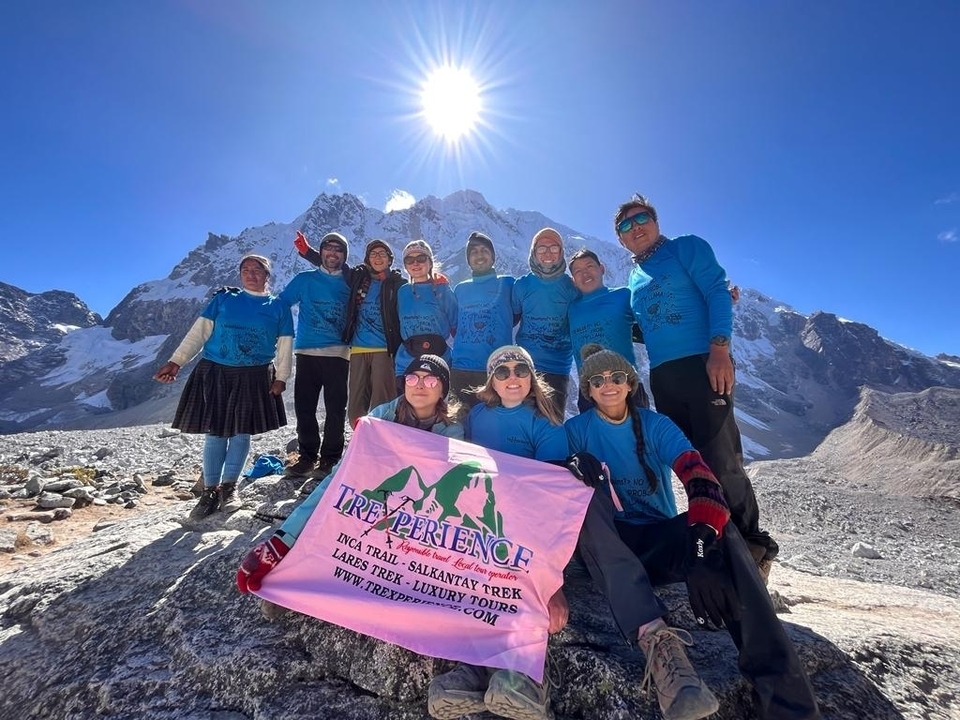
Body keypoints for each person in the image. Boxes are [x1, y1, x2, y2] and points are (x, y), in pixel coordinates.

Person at [565, 344, 821, 720]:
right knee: (582, 498)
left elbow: (700, 478)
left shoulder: (656, 426)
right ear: (587, 390)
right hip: (606, 547)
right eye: (598, 380)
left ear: (630, 384)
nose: (609, 385)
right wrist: (568, 465)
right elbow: (548, 481)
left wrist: (701, 550)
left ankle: (787, 700)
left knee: (726, 534)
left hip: (655, 542)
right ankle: (657, 641)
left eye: (617, 377)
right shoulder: (574, 432)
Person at [613, 194, 778, 580]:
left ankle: (754, 546)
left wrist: (719, 348)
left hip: (702, 365)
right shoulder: (635, 278)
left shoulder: (686, 247)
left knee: (721, 457)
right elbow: (649, 325)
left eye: (641, 219)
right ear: (620, 239)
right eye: (625, 226)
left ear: (655, 222)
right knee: (692, 463)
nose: (635, 228)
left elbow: (716, 291)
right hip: (664, 375)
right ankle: (717, 543)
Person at [236, 355, 462, 601]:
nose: (419, 385)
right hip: (374, 504)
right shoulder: (379, 420)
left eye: (430, 380)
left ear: (443, 389)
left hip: (418, 519)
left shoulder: (453, 431)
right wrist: (284, 537)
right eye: (412, 378)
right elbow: (340, 477)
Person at [429, 345, 568, 720]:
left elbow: (555, 498)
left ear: (532, 376)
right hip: (484, 520)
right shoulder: (476, 416)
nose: (512, 378)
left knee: (518, 582)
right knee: (466, 575)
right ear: (491, 379)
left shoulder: (546, 423)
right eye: (502, 371)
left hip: (530, 525)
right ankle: (470, 670)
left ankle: (522, 676)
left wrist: (555, 583)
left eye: (520, 370)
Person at [154, 254, 293, 521]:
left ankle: (229, 488)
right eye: (246, 270)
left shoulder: (278, 307)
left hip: (254, 374)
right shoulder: (224, 299)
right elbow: (199, 333)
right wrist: (176, 362)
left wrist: (282, 377)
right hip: (216, 370)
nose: (251, 274)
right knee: (216, 432)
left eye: (258, 270)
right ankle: (209, 491)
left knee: (241, 432)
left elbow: (285, 344)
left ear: (267, 275)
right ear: (240, 274)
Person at [277, 231, 351, 488]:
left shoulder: (351, 282)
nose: (332, 253)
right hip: (306, 352)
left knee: (335, 410)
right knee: (305, 408)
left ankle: (330, 458)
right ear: (321, 253)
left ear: (344, 255)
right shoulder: (304, 280)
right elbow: (281, 303)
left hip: (339, 354)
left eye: (338, 249)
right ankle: (307, 457)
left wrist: (308, 252)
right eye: (327, 249)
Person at [566, 248, 649, 412]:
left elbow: (651, 324)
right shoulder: (569, 309)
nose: (585, 274)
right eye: (578, 271)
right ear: (573, 279)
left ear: (602, 269)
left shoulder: (623, 295)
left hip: (626, 383)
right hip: (589, 390)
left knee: (639, 436)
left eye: (590, 266)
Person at [511, 228, 579, 418]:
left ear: (561, 252)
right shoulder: (522, 285)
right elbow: (511, 318)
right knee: (520, 425)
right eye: (541, 249)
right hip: (525, 368)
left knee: (552, 423)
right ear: (533, 253)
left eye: (553, 248)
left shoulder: (571, 287)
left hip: (557, 369)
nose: (547, 253)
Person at [342, 239, 407, 427]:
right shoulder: (359, 279)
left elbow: (418, 286)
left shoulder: (398, 283)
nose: (378, 257)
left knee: (383, 401)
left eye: (382, 254)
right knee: (355, 404)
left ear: (390, 259)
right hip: (357, 350)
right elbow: (336, 264)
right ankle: (360, 439)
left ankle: (382, 442)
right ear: (367, 259)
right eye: (373, 254)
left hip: (384, 350)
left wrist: (435, 279)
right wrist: (307, 252)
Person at [450, 231, 515, 408]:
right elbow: (454, 324)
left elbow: (517, 314)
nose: (479, 255)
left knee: (492, 427)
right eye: (473, 252)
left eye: (484, 250)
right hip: (460, 370)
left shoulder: (508, 284)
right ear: (468, 259)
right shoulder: (460, 289)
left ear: (493, 257)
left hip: (496, 371)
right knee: (459, 425)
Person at [395, 239, 458, 392]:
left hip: (439, 357)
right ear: (405, 266)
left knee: (437, 403)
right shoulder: (402, 292)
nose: (415, 263)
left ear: (430, 262)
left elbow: (456, 324)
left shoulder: (442, 289)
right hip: (406, 359)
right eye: (409, 260)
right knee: (406, 404)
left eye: (421, 259)